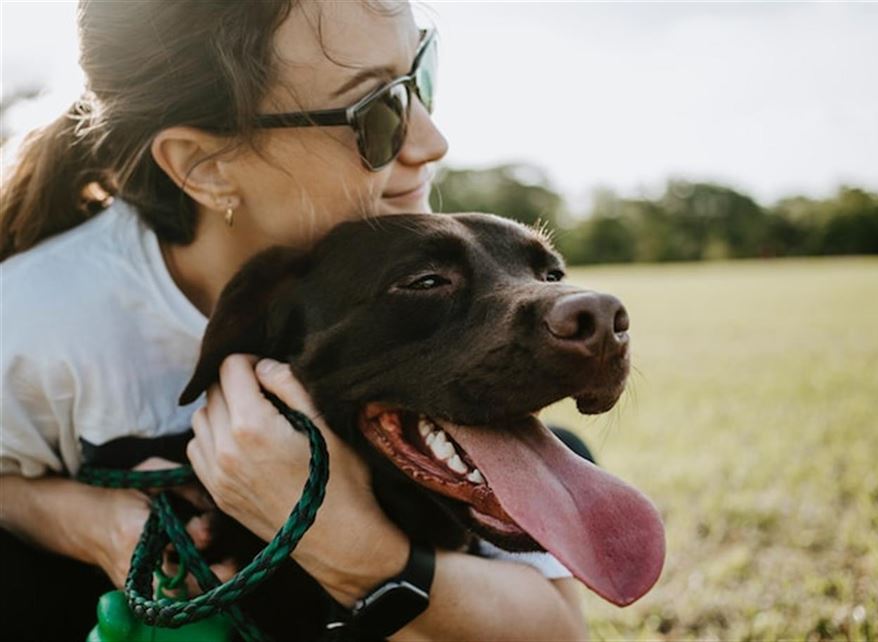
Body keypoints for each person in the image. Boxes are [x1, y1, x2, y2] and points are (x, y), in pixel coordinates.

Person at [0, 1, 588, 640]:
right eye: (376, 112)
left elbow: (557, 632)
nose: (431, 141)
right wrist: (93, 523)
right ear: (205, 165)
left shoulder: (419, 250)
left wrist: (343, 538)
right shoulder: (34, 321)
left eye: (422, 74)